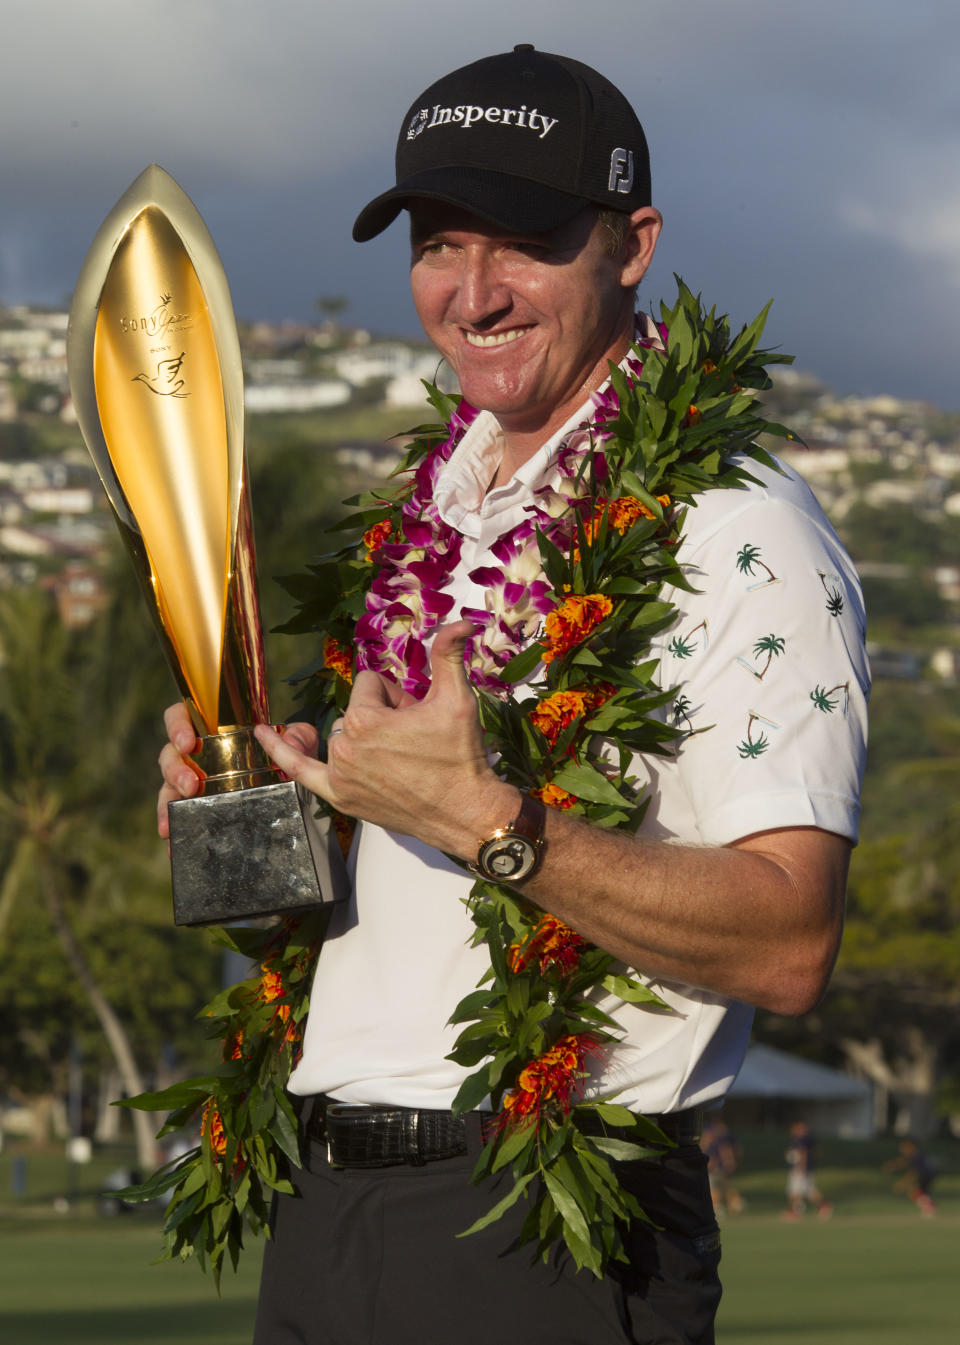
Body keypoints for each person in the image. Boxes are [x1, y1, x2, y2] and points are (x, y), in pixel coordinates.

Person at [157, 45, 869, 1345]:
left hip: (544, 1227)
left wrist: (488, 818)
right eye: (437, 242)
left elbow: (789, 942)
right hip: (324, 1215)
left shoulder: (734, 529)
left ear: (630, 243)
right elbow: (387, 907)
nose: (471, 292)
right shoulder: (423, 515)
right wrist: (259, 813)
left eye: (524, 242)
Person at [782, 1120, 833, 1220]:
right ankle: (824, 1206)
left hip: (800, 1169)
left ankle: (795, 1212)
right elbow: (816, 1151)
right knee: (808, 1191)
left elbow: (803, 1153)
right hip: (807, 1168)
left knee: (795, 1192)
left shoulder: (801, 1140)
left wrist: (801, 1167)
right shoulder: (807, 1139)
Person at [884, 1137, 938, 1216]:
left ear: (911, 1146)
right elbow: (904, 1161)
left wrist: (902, 1183)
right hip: (929, 1175)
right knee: (919, 1193)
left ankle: (930, 1208)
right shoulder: (915, 1155)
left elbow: (914, 1173)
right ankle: (930, 1208)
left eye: (904, 1147)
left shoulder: (916, 1156)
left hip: (927, 1175)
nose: (903, 1150)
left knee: (917, 1193)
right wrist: (893, 1166)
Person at [702, 1118, 744, 1217]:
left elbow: (726, 1152)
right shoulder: (711, 1143)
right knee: (719, 1189)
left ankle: (732, 1206)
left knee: (722, 1189)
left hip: (719, 1170)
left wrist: (729, 1162)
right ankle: (727, 1206)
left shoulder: (721, 1141)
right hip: (715, 1170)